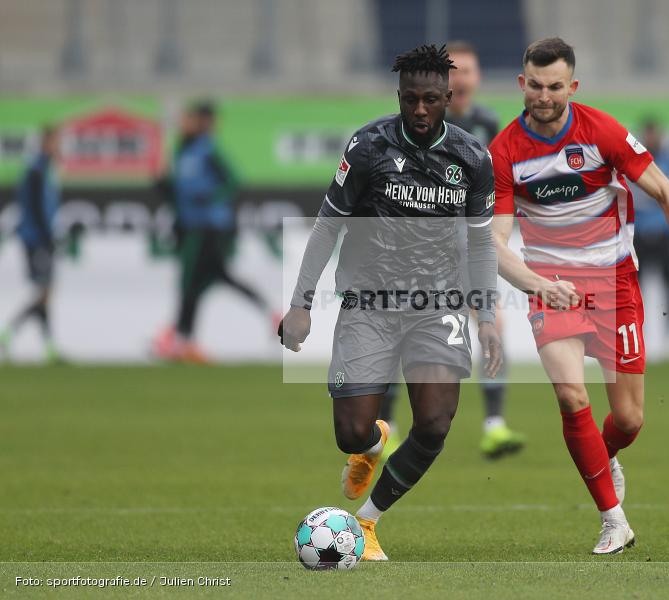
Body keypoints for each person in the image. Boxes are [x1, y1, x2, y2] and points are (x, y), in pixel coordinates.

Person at [490, 38, 669, 555]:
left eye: (555, 87)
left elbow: (666, 191)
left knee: (629, 420)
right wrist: (538, 286)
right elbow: (495, 243)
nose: (544, 96)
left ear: (572, 87)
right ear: (521, 83)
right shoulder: (504, 151)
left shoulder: (602, 132)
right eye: (535, 85)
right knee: (571, 396)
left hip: (614, 282)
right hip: (551, 287)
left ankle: (605, 452)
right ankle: (612, 519)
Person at [278, 44, 502, 561]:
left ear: (449, 97)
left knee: (435, 423)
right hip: (369, 303)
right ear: (398, 96)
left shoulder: (472, 159)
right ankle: (373, 443)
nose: (419, 111)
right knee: (350, 431)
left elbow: (481, 243)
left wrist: (486, 314)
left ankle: (368, 523)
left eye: (430, 100)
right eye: (409, 100)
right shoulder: (368, 147)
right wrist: (300, 302)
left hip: (438, 303)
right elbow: (327, 226)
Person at [377, 40, 526, 460]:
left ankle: (494, 426)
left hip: (469, 247)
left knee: (492, 321)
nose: (463, 79)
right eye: (456, 71)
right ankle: (388, 427)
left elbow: (499, 185)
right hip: (419, 252)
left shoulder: (487, 123)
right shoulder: (414, 125)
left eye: (470, 71)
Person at [151, 101, 277, 363]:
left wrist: (209, 199)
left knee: (190, 283)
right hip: (189, 226)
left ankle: (180, 339)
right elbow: (177, 193)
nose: (184, 124)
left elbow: (232, 181)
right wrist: (162, 182)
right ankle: (185, 340)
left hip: (207, 227)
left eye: (188, 119)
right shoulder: (182, 151)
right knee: (213, 278)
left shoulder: (207, 151)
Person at [0, 126, 64, 363]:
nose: (59, 148)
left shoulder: (44, 169)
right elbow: (36, 209)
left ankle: (49, 346)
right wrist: (48, 236)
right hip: (36, 239)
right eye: (56, 142)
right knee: (45, 291)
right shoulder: (37, 170)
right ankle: (9, 332)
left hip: (38, 237)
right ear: (47, 142)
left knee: (44, 292)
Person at [631, 118, 669, 357]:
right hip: (639, 233)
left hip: (665, 232)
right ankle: (638, 336)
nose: (651, 138)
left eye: (654, 134)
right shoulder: (633, 159)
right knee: (637, 288)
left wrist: (660, 193)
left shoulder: (668, 160)